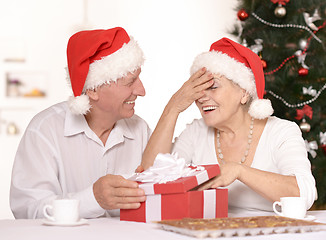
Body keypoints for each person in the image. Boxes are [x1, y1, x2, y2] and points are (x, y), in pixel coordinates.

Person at [139, 37, 317, 213]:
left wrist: (239, 171)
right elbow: (151, 178)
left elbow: (303, 193)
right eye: (198, 89)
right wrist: (173, 108)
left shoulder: (281, 132)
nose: (201, 97)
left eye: (213, 87)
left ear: (244, 93)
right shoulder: (196, 132)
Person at [10, 27, 151, 219]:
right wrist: (93, 199)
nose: (141, 90)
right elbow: (28, 210)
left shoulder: (140, 130)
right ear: (93, 89)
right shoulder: (45, 130)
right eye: (130, 82)